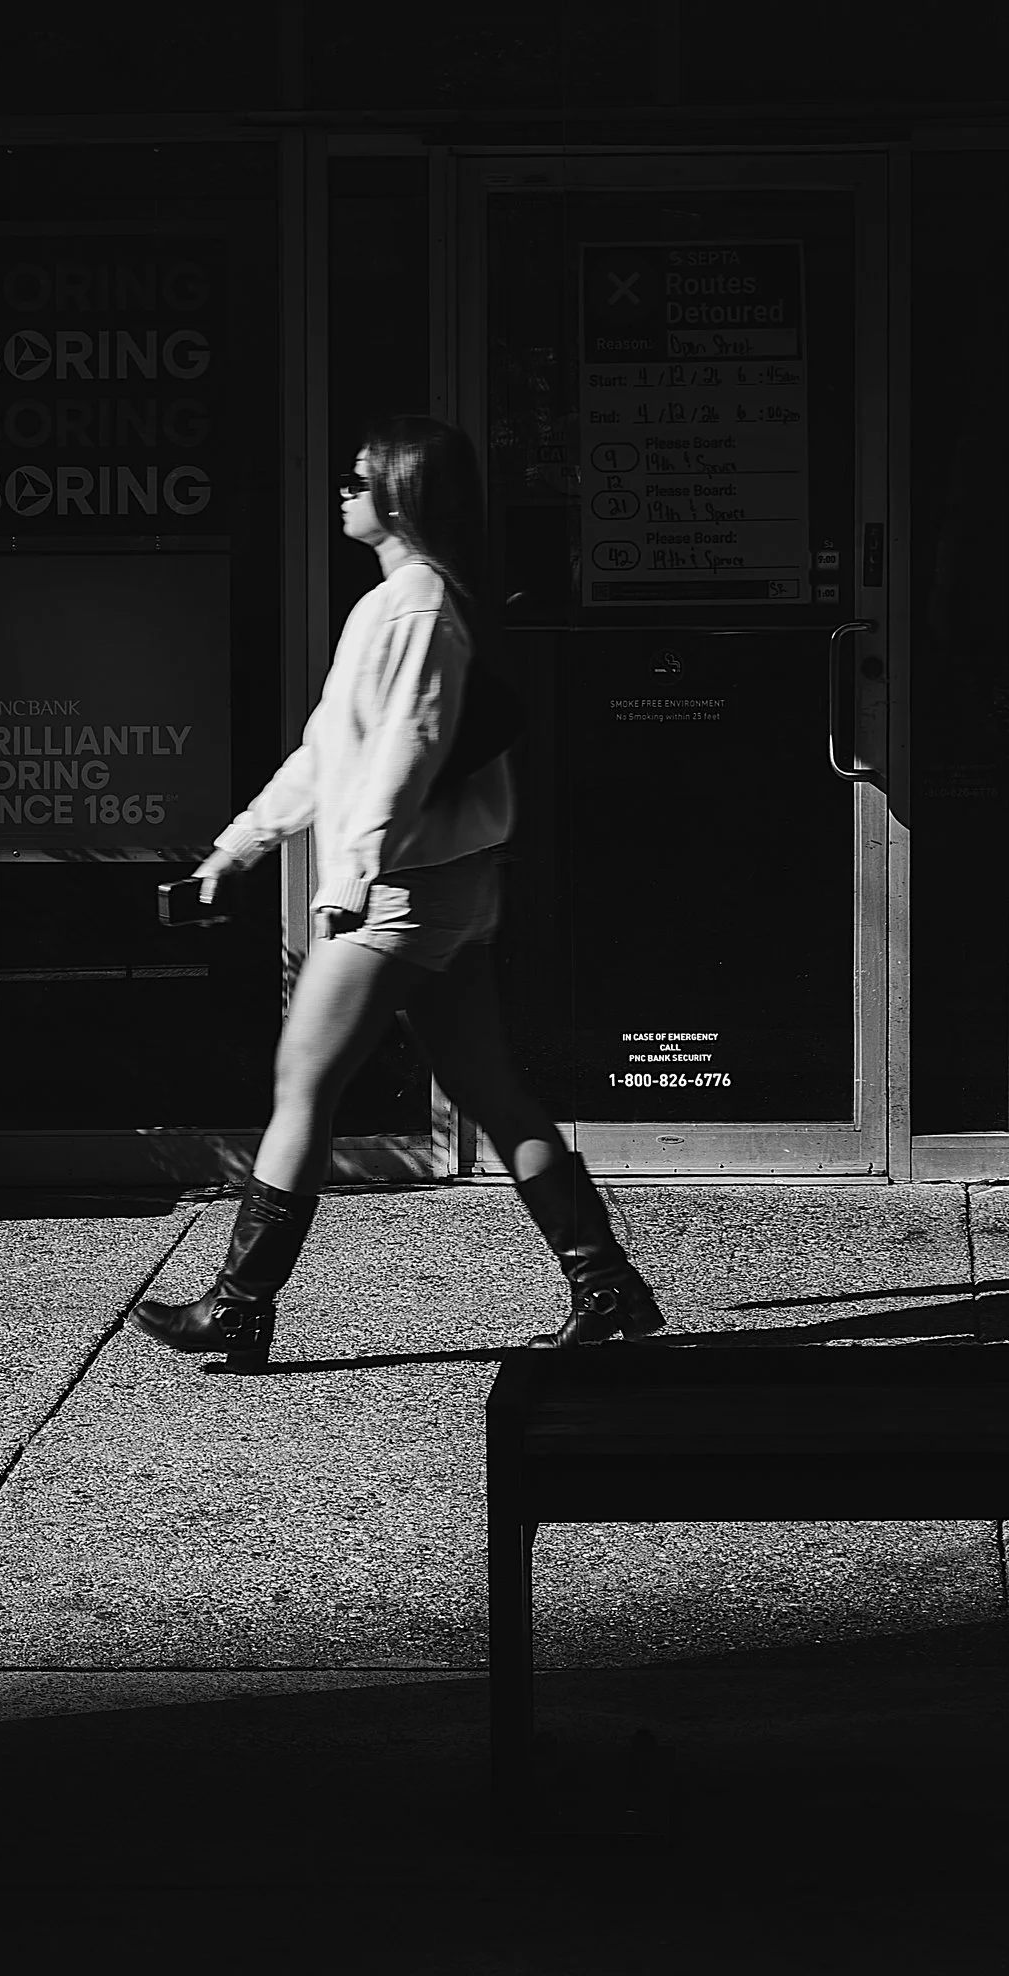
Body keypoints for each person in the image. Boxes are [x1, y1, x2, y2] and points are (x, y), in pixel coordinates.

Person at [131, 415, 663, 1373]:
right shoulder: (400, 602)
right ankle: (608, 1286)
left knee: (304, 1082)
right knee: (491, 1090)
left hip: (406, 891)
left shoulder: (415, 607)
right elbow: (331, 752)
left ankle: (241, 1307)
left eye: (359, 478)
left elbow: (401, 761)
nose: (341, 491)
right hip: (433, 888)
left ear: (403, 496)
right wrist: (239, 847)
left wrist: (351, 874)